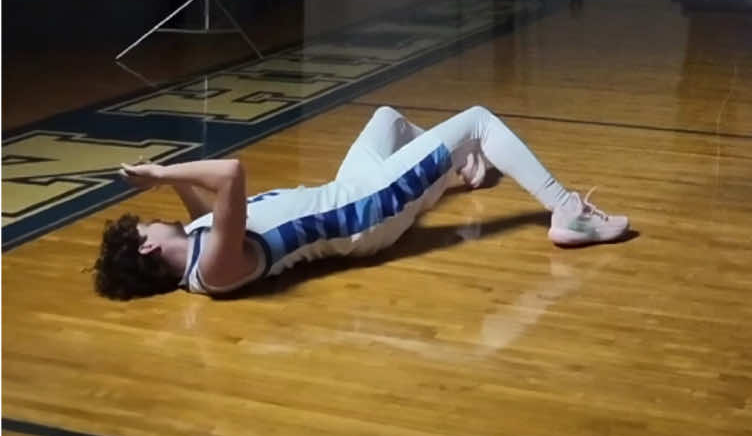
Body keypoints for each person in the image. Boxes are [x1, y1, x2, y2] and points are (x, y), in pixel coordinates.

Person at [93, 104, 629, 300]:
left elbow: (204, 215)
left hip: (345, 191)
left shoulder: (202, 251)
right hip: (367, 212)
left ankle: (454, 173)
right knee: (478, 120)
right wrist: (163, 171)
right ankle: (567, 212)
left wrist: (169, 183)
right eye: (147, 228)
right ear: (147, 252)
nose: (158, 221)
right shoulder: (214, 270)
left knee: (389, 117)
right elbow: (230, 175)